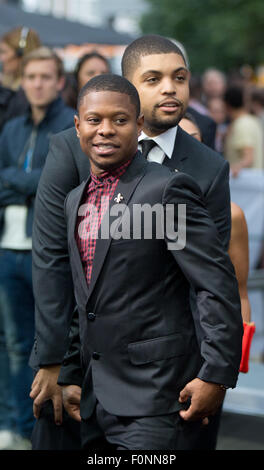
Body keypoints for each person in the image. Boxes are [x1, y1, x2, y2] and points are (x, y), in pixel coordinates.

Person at [30, 35, 232, 450]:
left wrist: (213, 373)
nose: (169, 88)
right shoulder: (76, 187)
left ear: (135, 121)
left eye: (179, 77)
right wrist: (59, 364)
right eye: (154, 78)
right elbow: (64, 271)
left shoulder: (183, 182)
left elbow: (209, 283)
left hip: (158, 390)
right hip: (86, 384)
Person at [0, 46, 75, 450]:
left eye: (46, 77)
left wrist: (19, 181)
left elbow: (57, 187)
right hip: (6, 247)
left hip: (48, 253)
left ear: (60, 82)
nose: (38, 84)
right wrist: (28, 181)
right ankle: (12, 424)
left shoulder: (70, 128)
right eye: (31, 77)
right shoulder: (11, 128)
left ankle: (39, 432)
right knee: (11, 342)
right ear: (23, 81)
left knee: (45, 347)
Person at [179, 113, 251, 322]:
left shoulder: (231, 214)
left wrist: (240, 351)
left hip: (210, 339)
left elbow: (239, 293)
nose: (183, 150)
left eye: (193, 140)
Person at [0, 26, 41, 131]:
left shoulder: (29, 90)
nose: (1, 58)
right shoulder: (9, 84)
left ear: (20, 54)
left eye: (3, 52)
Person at [224, 84, 264, 176]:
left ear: (227, 104)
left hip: (245, 185)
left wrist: (229, 170)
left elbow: (248, 158)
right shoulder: (251, 120)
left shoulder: (242, 124)